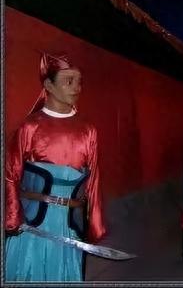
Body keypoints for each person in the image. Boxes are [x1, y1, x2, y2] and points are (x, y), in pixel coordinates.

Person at [4, 52, 106, 281]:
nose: (77, 88)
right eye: (69, 81)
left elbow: (94, 178)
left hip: (69, 223)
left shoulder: (88, 130)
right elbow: (11, 175)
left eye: (79, 81)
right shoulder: (29, 127)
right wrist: (12, 217)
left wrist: (94, 222)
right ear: (48, 85)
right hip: (34, 221)